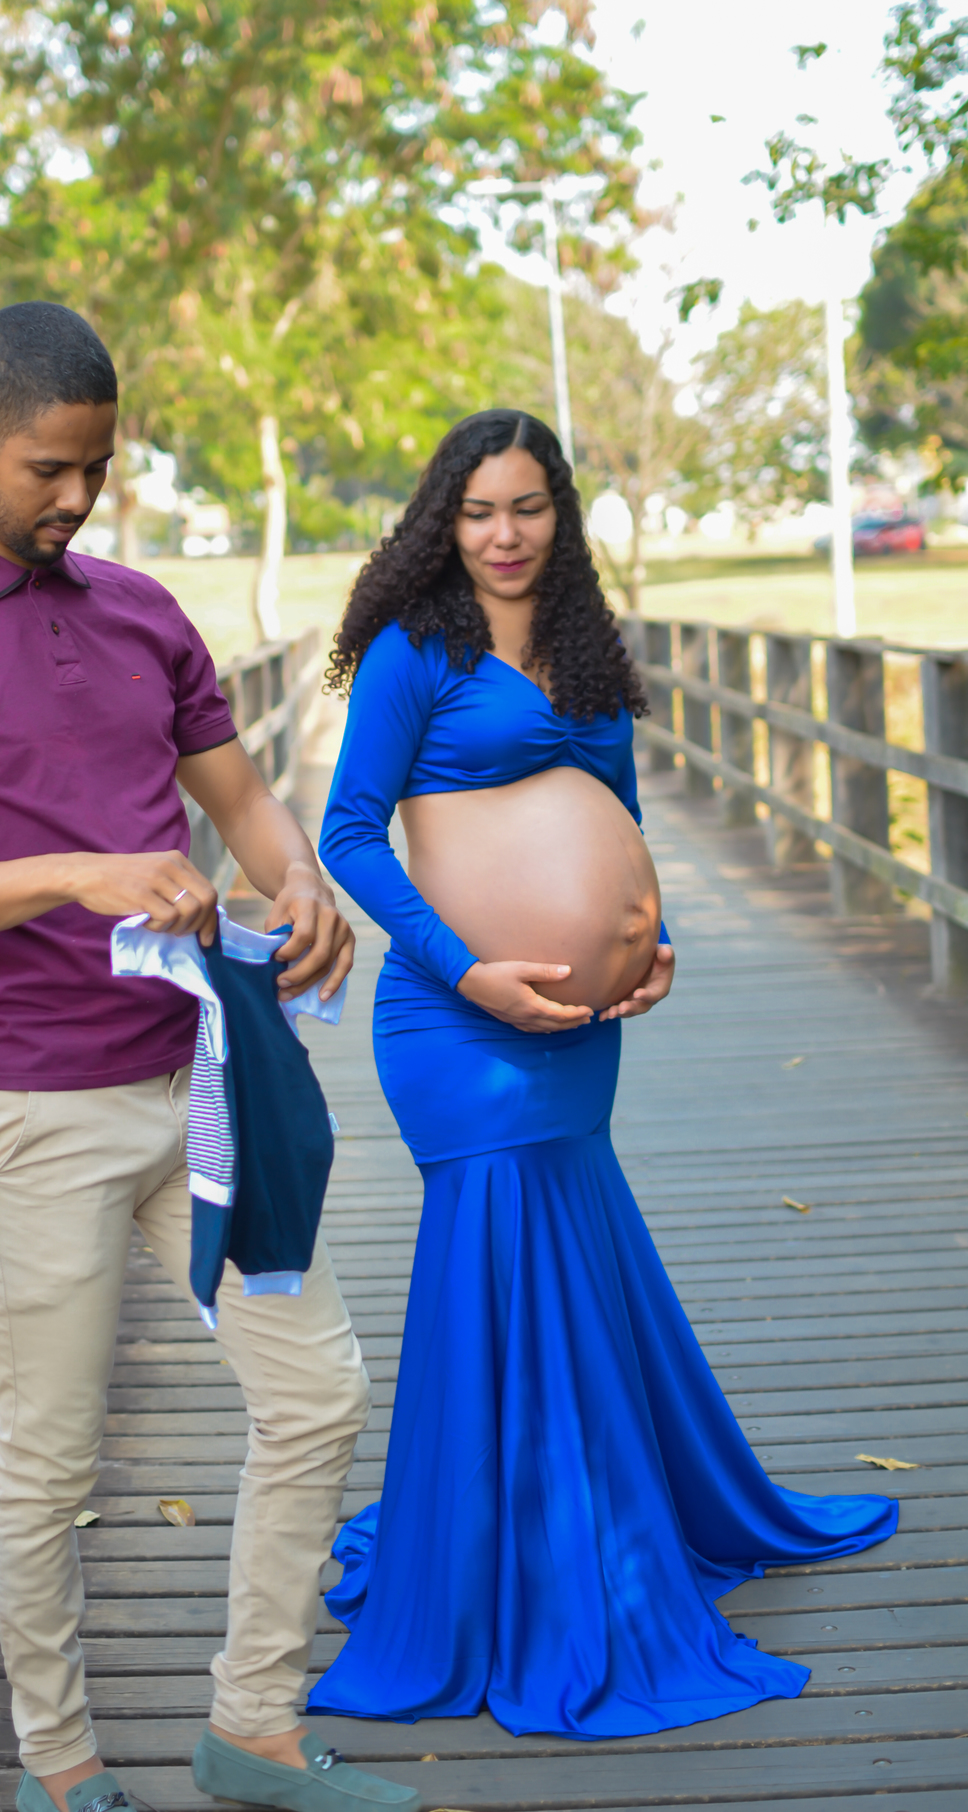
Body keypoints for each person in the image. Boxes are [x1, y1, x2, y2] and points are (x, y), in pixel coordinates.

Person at [0, 301, 421, 1812]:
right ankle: (61, 1766)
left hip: (201, 1081)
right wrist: (79, 874)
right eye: (46, 468)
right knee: (53, 1456)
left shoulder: (144, 613)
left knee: (319, 1394)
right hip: (34, 1113)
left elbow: (241, 796)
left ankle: (251, 1730)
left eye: (96, 467)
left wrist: (299, 883)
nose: (75, 497)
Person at [309, 408, 898, 1739]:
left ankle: (590, 1520)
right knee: (500, 1255)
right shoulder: (415, 652)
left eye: (527, 507)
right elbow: (349, 836)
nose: (504, 534)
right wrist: (470, 971)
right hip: (454, 1025)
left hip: (581, 1030)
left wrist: (652, 939)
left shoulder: (584, 648)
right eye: (478, 511)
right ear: (443, 522)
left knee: (569, 1255)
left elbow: (620, 818)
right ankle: (512, 1563)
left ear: (559, 516)